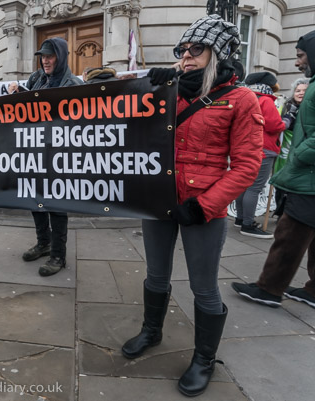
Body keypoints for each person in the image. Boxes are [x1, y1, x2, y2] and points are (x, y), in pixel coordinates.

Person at [121, 15, 263, 397]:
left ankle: (204, 358)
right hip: (160, 201)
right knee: (155, 275)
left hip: (203, 209)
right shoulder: (170, 90)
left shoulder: (242, 99)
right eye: (181, 49)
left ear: (218, 53)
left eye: (196, 49)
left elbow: (247, 165)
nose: (186, 56)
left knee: (204, 287)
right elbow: (128, 128)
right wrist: (146, 86)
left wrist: (204, 206)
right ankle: (151, 331)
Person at [232, 30, 315, 310]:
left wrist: (298, 156)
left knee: (290, 234)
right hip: (303, 173)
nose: (297, 63)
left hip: (308, 178)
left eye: (301, 56)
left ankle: (268, 288)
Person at [22, 37, 83, 277]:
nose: (45, 61)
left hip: (59, 155)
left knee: (57, 205)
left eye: (50, 56)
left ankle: (58, 255)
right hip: (35, 153)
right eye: (43, 57)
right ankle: (43, 243)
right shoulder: (36, 80)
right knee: (35, 199)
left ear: (61, 56)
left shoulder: (74, 85)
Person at [233, 72, 285, 238]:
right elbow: (274, 125)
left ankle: (240, 218)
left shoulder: (245, 97)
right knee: (254, 187)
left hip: (244, 147)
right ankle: (247, 224)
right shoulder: (265, 100)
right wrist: (286, 122)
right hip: (263, 148)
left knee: (243, 185)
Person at [272, 78, 309, 216]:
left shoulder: (310, 109)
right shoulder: (287, 106)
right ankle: (281, 212)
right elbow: (281, 123)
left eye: (304, 90)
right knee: (281, 179)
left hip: (303, 149)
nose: (300, 93)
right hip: (285, 149)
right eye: (298, 90)